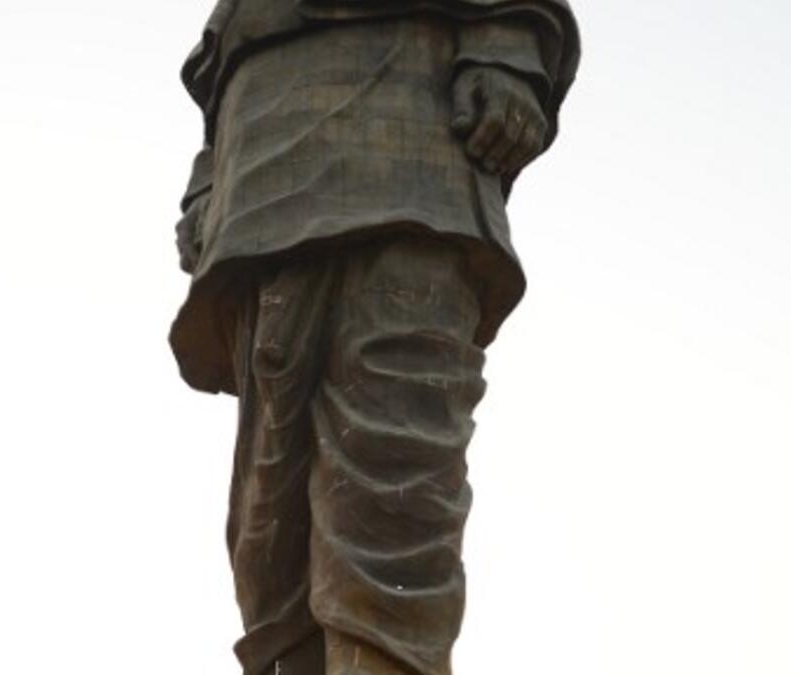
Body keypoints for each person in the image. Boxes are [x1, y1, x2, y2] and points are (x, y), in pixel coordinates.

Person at [168, 1, 579, 673]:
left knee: (390, 484)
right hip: (260, 172)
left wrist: (509, 45)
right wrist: (206, 183)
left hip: (409, 150)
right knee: (268, 520)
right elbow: (226, 59)